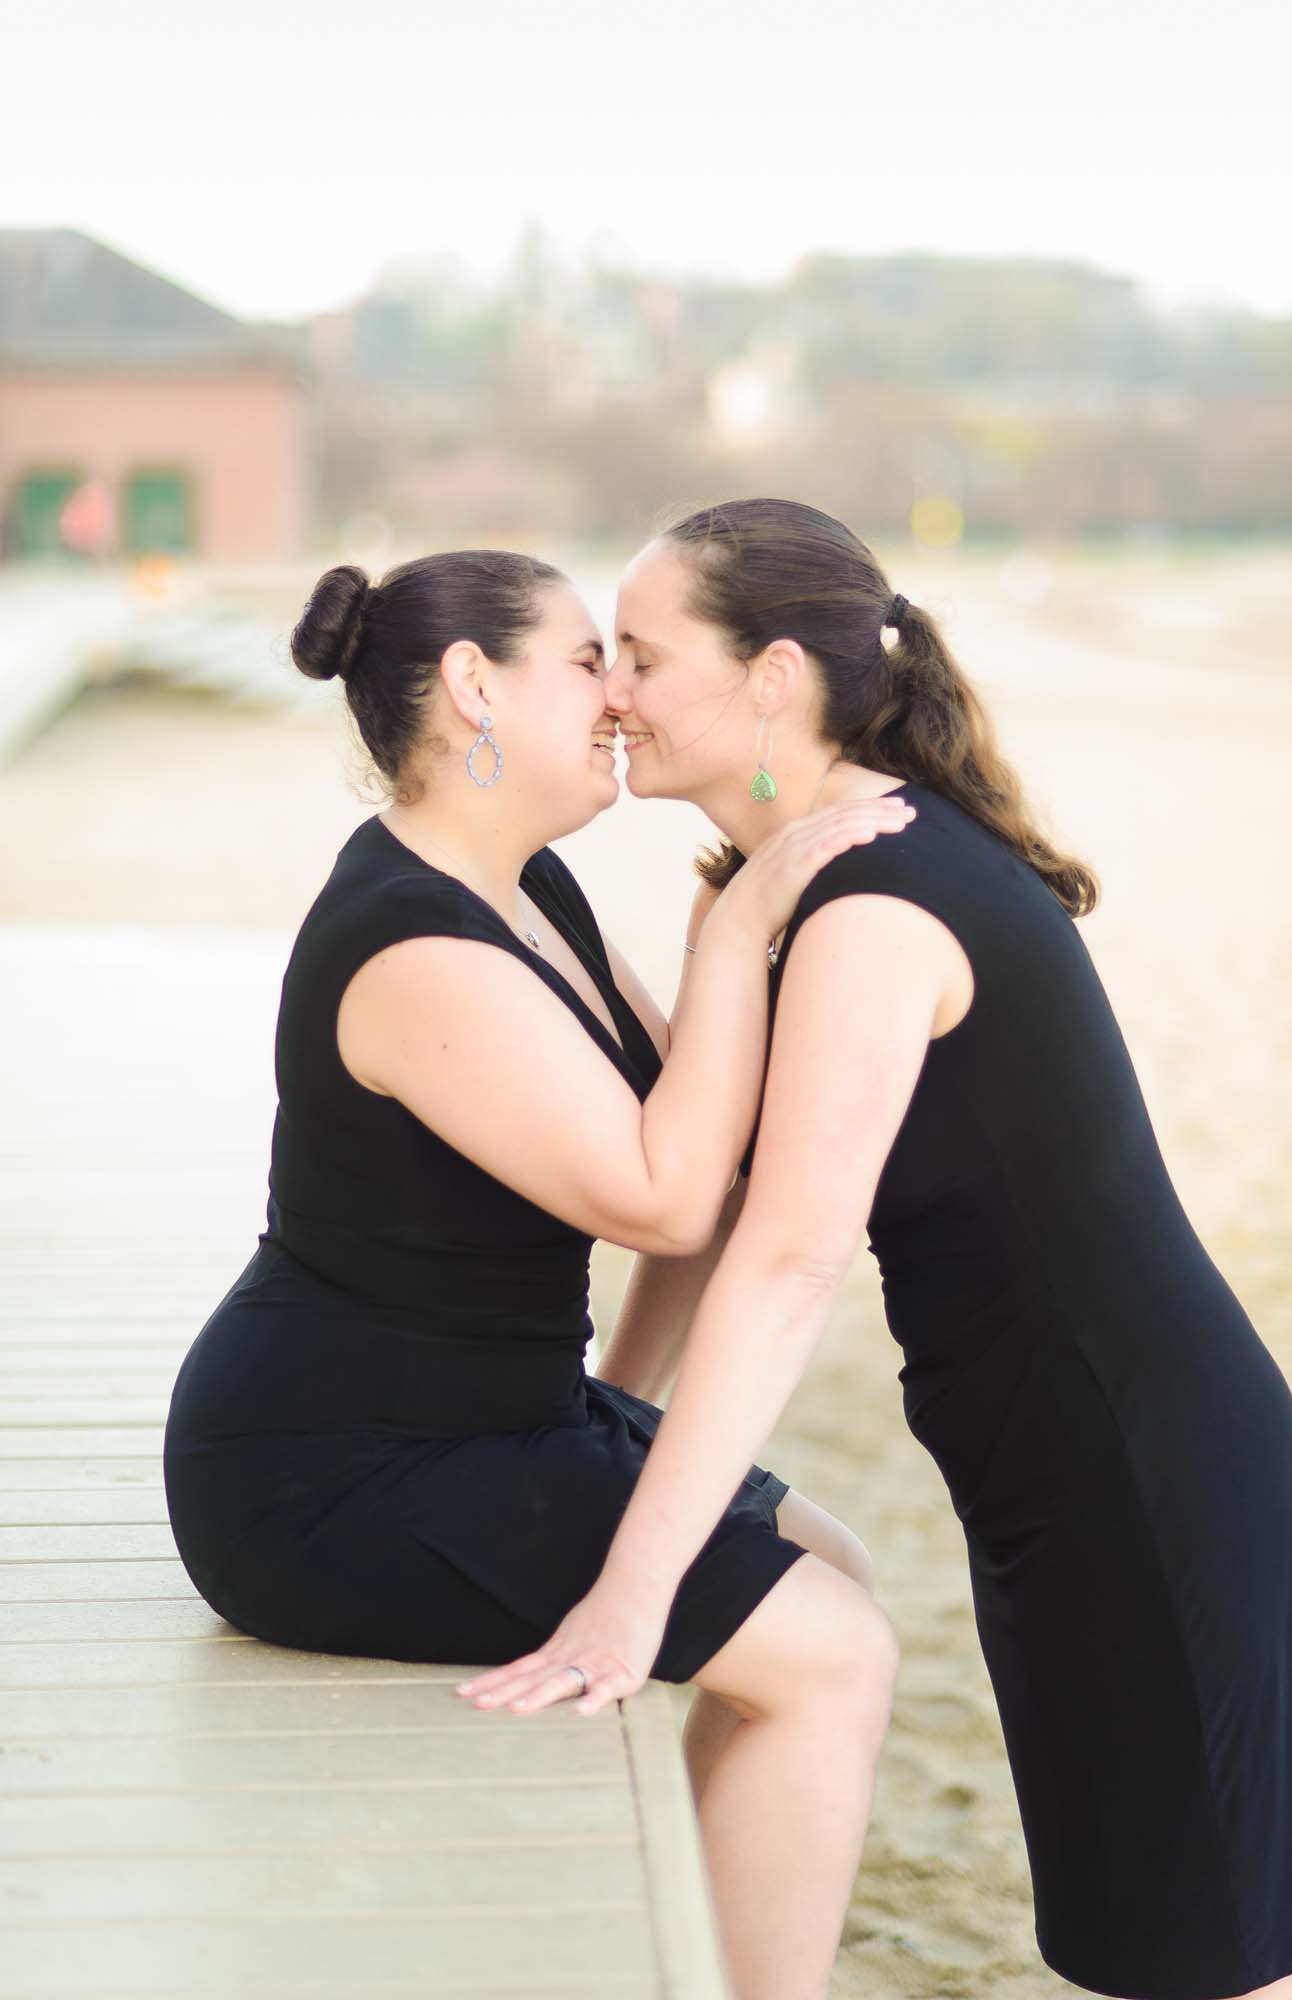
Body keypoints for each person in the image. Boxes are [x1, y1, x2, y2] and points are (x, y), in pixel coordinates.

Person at [459, 500, 1292, 2000]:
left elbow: (788, 1269)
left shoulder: (871, 903)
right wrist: (608, 1422)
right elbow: (712, 1202)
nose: (610, 692)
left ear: (774, 677)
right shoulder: (779, 886)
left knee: (1214, 1955)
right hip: (1052, 1466)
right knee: (1148, 1932)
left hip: (1140, 1467)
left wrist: (633, 1587)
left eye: (646, 658)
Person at [163, 548, 913, 1999]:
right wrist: (750, 917)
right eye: (586, 659)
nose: (619, 697)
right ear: (471, 687)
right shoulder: (412, 944)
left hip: (486, 1416)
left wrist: (619, 1422)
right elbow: (662, 1192)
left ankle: (694, 1945)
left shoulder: (523, 886)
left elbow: (706, 1144)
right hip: (330, 1472)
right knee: (833, 1656)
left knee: (837, 1572)